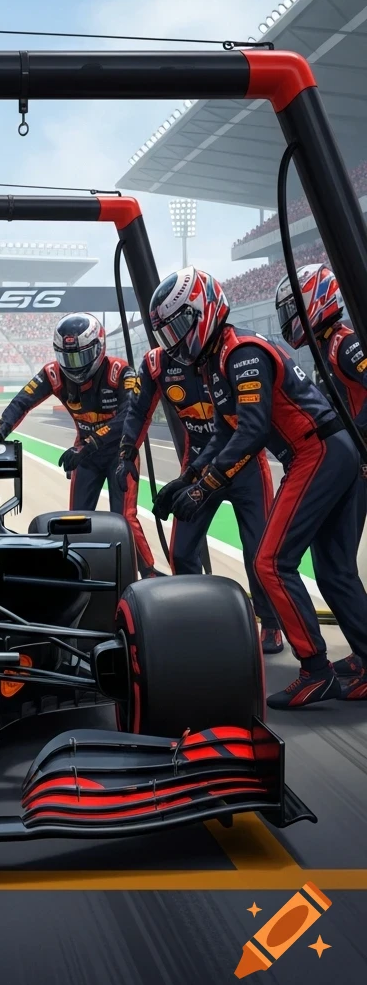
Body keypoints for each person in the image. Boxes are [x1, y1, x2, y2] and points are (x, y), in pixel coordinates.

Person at [149, 266, 367, 707]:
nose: (174, 340)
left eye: (179, 326)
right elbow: (224, 433)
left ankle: (315, 671)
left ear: (203, 310)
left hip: (317, 452)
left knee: (270, 562)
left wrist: (205, 486)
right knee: (334, 569)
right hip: (327, 451)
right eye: (167, 332)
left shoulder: (241, 352)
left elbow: (249, 431)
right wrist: (186, 479)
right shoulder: (221, 358)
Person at [115, 345, 282, 653]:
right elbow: (138, 409)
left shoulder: (225, 353)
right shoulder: (155, 363)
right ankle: (196, 613)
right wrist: (127, 451)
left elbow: (255, 419)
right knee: (181, 551)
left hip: (245, 461)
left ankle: (271, 621)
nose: (175, 336)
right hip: (197, 463)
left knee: (258, 551)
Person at [0, 313, 158, 577]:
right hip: (85, 455)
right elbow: (23, 401)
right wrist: (1, 429)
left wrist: (89, 444)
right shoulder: (53, 373)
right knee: (75, 520)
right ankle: (77, 573)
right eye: (67, 358)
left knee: (125, 519)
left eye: (80, 357)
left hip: (120, 455)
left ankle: (149, 575)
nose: (73, 366)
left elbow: (129, 418)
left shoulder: (120, 372)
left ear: (99, 347)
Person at [276, 263, 367, 541]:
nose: (289, 317)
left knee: (340, 545)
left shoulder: (345, 343)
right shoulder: (327, 345)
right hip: (354, 458)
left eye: (294, 308)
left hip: (360, 458)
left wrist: (356, 435)